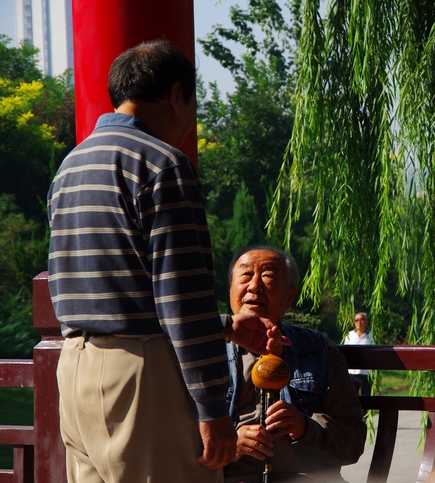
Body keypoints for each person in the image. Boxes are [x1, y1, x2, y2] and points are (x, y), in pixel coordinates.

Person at [47, 40, 288, 482]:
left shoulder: (70, 167)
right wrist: (214, 410)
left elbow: (115, 292)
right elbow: (180, 298)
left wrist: (225, 326)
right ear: (177, 96)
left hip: (74, 372)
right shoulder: (162, 164)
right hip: (140, 380)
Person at [224, 246, 367, 482]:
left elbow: (352, 442)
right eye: (246, 275)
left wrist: (305, 427)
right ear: (230, 289)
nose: (255, 286)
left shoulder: (320, 351)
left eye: (269, 276)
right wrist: (231, 443)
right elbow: (172, 436)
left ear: (289, 297)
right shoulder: (204, 353)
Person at [343, 312, 373, 397]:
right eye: (356, 320)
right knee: (351, 398)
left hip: (366, 373)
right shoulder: (349, 335)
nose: (359, 322)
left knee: (366, 398)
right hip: (352, 372)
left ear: (366, 322)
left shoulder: (371, 336)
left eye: (362, 319)